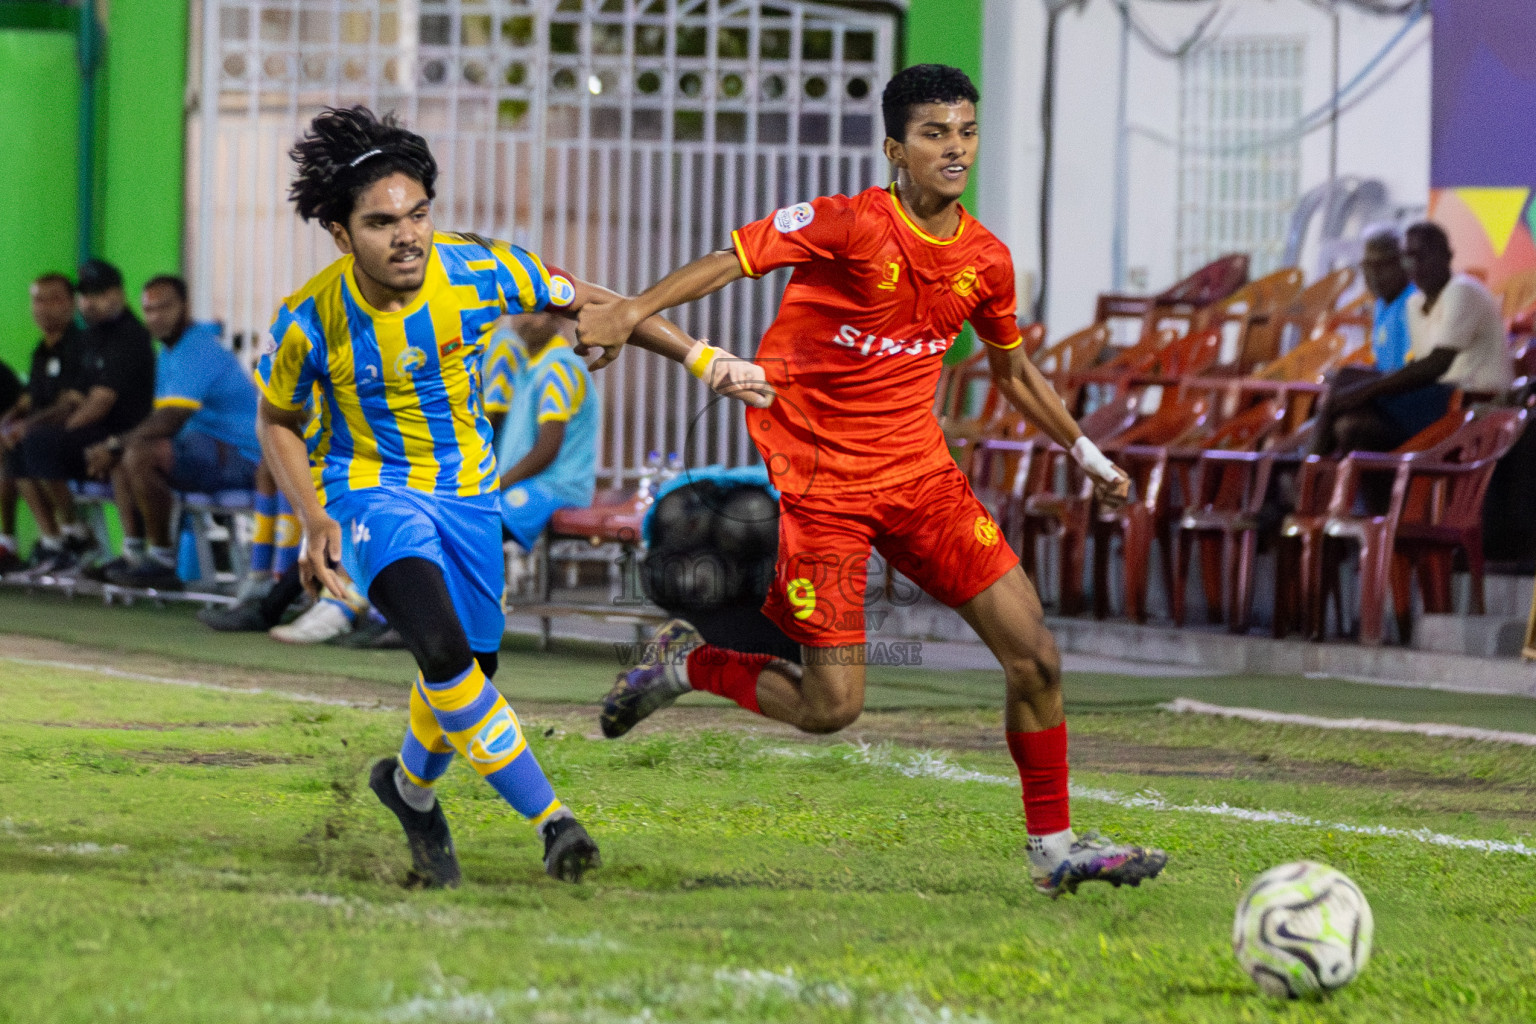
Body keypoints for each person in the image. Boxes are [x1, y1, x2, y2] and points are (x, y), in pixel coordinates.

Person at [580, 64, 1166, 898]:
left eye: (964, 130)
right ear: (896, 147)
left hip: (922, 478)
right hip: (824, 486)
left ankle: (1055, 847)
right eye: (934, 133)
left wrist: (1090, 456)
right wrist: (632, 311)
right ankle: (687, 663)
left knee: (1034, 656)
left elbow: (1016, 373)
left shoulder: (986, 259)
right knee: (832, 708)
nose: (954, 148)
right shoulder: (849, 224)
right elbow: (731, 258)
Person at [257, 106, 769, 887]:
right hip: (371, 492)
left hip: (470, 496)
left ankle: (409, 790)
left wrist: (699, 357)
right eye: (383, 222)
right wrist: (316, 514)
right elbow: (278, 419)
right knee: (441, 650)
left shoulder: (476, 268)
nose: (408, 235)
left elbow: (597, 301)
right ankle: (553, 820)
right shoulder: (310, 320)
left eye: (420, 213)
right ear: (339, 232)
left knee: (471, 671)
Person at [80, 275, 263, 590]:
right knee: (129, 450)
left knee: (137, 450)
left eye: (164, 308)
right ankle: (135, 553)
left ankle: (163, 560)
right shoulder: (168, 351)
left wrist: (113, 444)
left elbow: (171, 419)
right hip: (203, 449)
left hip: (243, 458)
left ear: (185, 307)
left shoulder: (198, 347)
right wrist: (118, 446)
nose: (155, 317)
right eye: (148, 310)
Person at [1314, 222, 1513, 459]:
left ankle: (1304, 469)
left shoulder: (1462, 291)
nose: (1415, 266)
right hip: (1427, 397)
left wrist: (1364, 390)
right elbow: (1410, 370)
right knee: (1347, 423)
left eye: (1423, 257)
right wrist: (1358, 387)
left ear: (1447, 257)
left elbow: (1434, 366)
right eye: (1410, 257)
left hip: (1465, 403)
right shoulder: (1416, 303)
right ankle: (1312, 476)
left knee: (1347, 382)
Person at [13, 259, 154, 575]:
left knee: (42, 443)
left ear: (117, 293)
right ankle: (60, 540)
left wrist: (60, 432)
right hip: (94, 433)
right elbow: (76, 397)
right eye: (85, 295)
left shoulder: (129, 336)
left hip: (121, 435)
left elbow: (100, 402)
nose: (89, 302)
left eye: (99, 294)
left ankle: (78, 538)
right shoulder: (92, 337)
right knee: (24, 444)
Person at [0, 274, 86, 573]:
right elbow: (28, 399)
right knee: (12, 444)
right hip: (45, 436)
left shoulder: (80, 346)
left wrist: (26, 426)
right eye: (38, 299)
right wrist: (8, 422)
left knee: (33, 441)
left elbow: (70, 404)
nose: (44, 307)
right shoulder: (40, 352)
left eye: (54, 299)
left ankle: (76, 535)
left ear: (71, 303)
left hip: (82, 439)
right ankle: (52, 541)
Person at [496, 310, 599, 550]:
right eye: (517, 311)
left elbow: (547, 448)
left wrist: (499, 485)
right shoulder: (532, 364)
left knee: (482, 529)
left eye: (535, 312)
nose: (524, 319)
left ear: (557, 317)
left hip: (556, 487)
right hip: (533, 483)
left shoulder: (558, 368)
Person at [1361, 232, 1415, 372]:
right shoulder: (1381, 304)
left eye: (1381, 266)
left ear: (1403, 265)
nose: (1373, 275)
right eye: (1368, 266)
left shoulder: (1415, 303)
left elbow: (1411, 370)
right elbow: (1379, 363)